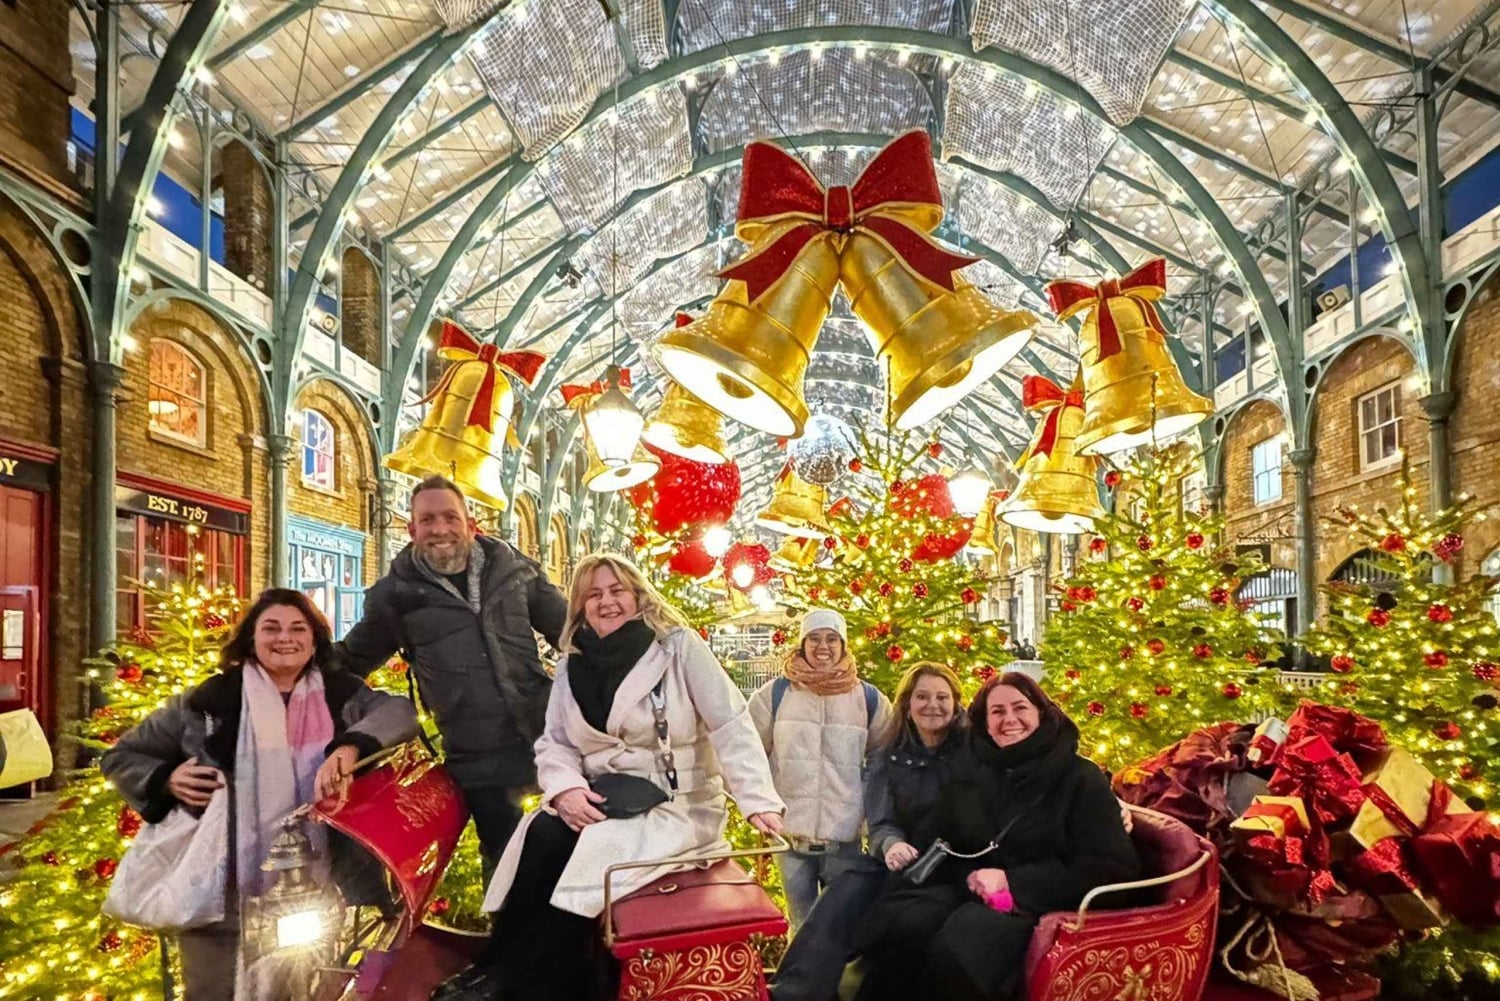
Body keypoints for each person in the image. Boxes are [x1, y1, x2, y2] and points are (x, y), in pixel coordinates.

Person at [432, 554, 785, 1001]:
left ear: (637, 596)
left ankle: (531, 985)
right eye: (594, 594)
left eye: (617, 590)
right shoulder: (572, 662)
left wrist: (759, 801)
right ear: (580, 605)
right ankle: (496, 966)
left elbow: (729, 724)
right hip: (603, 795)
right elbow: (555, 742)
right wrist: (566, 790)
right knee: (542, 832)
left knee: (591, 850)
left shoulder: (677, 647)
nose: (607, 601)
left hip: (675, 804)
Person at [101, 589, 419, 1001]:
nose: (284, 638)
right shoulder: (208, 701)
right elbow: (121, 756)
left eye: (297, 628)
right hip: (220, 887)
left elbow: (400, 713)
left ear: (314, 639)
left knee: (307, 987)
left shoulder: (341, 694)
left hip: (313, 884)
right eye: (271, 628)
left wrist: (351, 746)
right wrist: (165, 778)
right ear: (251, 639)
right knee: (212, 990)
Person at [853, 672, 1139, 1001]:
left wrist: (1012, 883)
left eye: (1020, 708)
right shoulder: (979, 769)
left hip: (1042, 903)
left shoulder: (1079, 777)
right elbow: (951, 834)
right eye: (997, 712)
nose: (1009, 720)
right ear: (985, 722)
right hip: (974, 888)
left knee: (962, 943)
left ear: (1040, 713)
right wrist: (912, 869)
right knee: (905, 921)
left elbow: (1112, 867)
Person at [337, 475, 568, 877]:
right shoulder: (396, 596)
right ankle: (513, 939)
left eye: (450, 517)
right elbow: (350, 660)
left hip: (547, 737)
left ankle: (575, 939)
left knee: (568, 851)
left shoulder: (515, 572)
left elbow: (572, 632)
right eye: (427, 520)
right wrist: (278, 663)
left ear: (471, 524)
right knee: (506, 868)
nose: (440, 529)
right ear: (411, 530)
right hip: (479, 759)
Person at [772, 661, 966, 1001]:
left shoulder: (972, 753)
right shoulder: (890, 758)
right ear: (907, 705)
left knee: (896, 920)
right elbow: (880, 824)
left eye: (941, 697)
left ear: (955, 703)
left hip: (950, 868)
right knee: (846, 888)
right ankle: (796, 991)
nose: (932, 705)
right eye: (922, 697)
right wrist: (891, 844)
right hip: (900, 862)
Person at [748, 609, 894, 929]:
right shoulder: (774, 695)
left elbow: (884, 763)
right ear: (802, 645)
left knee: (842, 927)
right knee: (800, 926)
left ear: (843, 645)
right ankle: (800, 980)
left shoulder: (869, 699)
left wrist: (869, 816)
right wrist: (762, 805)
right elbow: (746, 755)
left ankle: (836, 980)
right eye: (813, 638)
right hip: (790, 839)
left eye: (831, 639)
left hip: (845, 841)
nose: (822, 646)